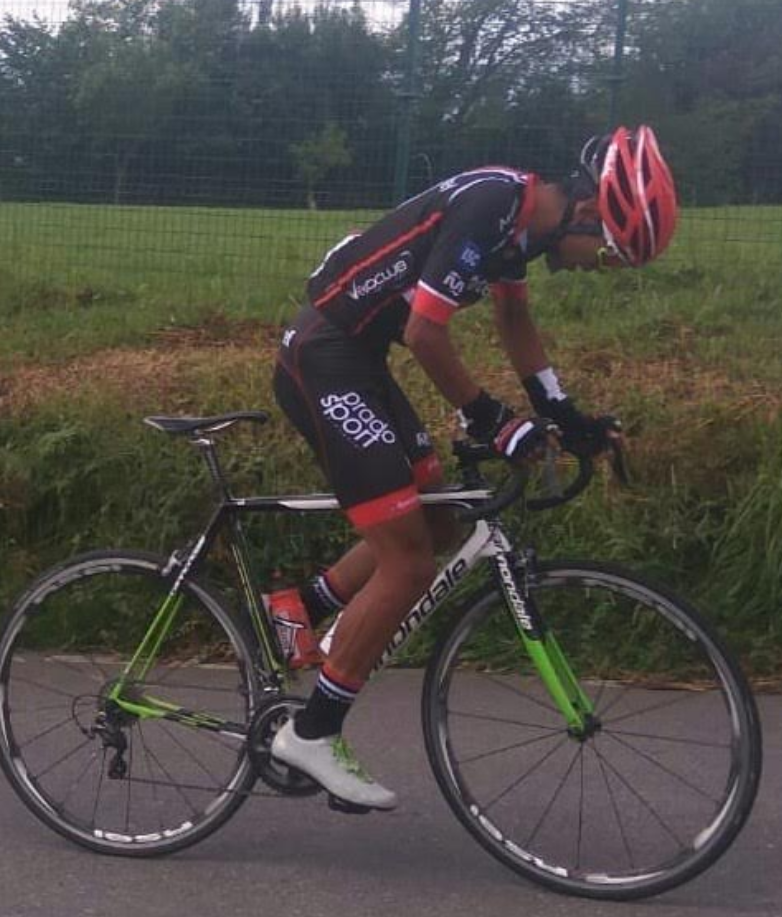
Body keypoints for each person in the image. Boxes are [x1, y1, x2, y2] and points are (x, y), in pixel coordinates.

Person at [268, 124, 679, 809]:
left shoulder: (518, 227)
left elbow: (516, 325)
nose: (600, 269)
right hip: (323, 357)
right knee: (408, 562)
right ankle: (312, 733)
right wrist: (494, 420)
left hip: (358, 360)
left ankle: (301, 607)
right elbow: (425, 332)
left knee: (438, 518)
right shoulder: (493, 205)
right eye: (610, 255)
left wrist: (565, 415)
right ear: (585, 213)